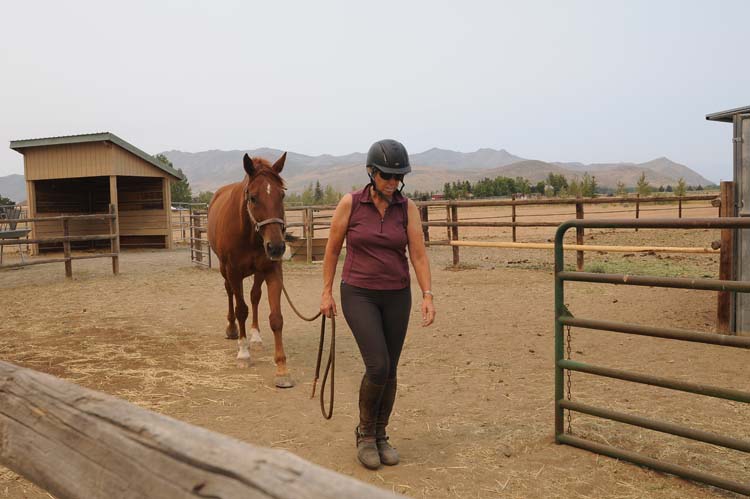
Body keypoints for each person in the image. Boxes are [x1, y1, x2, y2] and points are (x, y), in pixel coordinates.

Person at [320, 139, 436, 470]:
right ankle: (365, 434)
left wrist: (428, 295)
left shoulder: (407, 208)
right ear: (372, 173)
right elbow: (331, 249)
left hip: (397, 294)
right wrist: (326, 292)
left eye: (398, 177)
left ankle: (382, 434)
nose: (393, 182)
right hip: (359, 292)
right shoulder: (351, 204)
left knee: (391, 369)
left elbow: (417, 254)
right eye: (387, 176)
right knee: (378, 366)